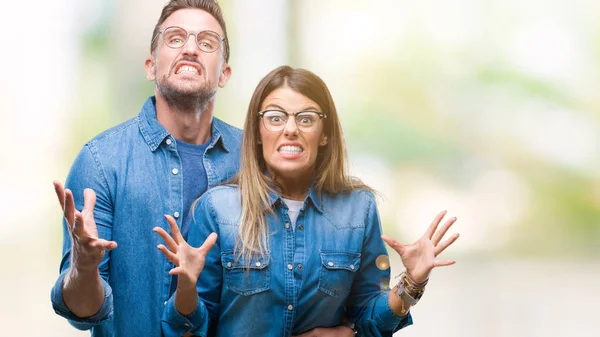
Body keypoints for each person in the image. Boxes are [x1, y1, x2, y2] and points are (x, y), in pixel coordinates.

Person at [155, 66, 460, 336]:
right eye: (275, 117)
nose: (290, 129)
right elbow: (188, 329)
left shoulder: (359, 209)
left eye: (306, 118)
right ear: (259, 132)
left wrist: (411, 283)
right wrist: (187, 287)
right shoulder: (217, 209)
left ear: (324, 134)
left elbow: (369, 321)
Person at [50, 1, 239, 336]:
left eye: (207, 42)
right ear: (151, 66)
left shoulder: (252, 158)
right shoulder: (100, 161)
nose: (191, 49)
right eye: (176, 38)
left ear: (224, 73)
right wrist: (84, 266)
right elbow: (82, 314)